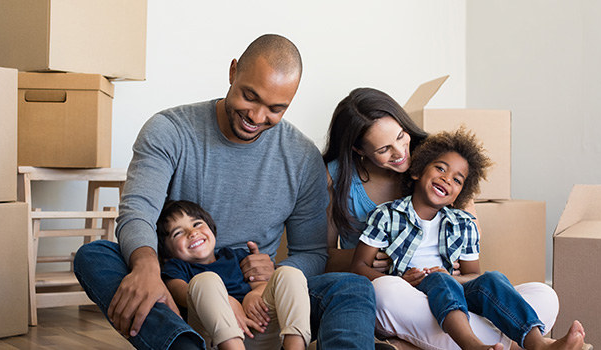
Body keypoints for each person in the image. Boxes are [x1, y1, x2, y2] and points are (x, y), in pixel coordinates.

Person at [74, 34, 377, 350]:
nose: (257, 117)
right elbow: (138, 211)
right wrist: (146, 268)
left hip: (261, 304)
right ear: (233, 72)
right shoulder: (169, 130)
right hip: (183, 293)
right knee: (95, 256)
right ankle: (183, 344)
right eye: (250, 96)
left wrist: (274, 275)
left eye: (276, 109)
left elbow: (312, 252)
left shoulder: (302, 158)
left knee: (351, 287)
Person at [321, 88, 562, 349]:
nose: (402, 152)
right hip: (399, 292)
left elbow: (470, 258)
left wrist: (457, 271)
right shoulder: (344, 183)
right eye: (383, 149)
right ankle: (510, 342)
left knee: (544, 296)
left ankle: (504, 341)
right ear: (359, 149)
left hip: (452, 292)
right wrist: (380, 256)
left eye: (401, 136)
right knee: (385, 292)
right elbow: (327, 256)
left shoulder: (436, 160)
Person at [352, 129, 591, 350]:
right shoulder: (386, 215)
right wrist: (402, 281)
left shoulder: (463, 223)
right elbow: (358, 267)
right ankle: (474, 343)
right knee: (384, 291)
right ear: (417, 171)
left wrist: (452, 279)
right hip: (413, 297)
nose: (447, 179)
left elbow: (474, 277)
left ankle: (538, 343)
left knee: (532, 290)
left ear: (459, 195)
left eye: (457, 180)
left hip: (455, 297)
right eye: (441, 169)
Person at [157, 200, 309, 350]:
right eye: (178, 233)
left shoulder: (233, 255)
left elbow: (260, 283)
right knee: (205, 280)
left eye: (196, 224)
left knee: (289, 273)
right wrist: (226, 300)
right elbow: (182, 294)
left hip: (258, 328)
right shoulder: (175, 267)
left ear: (211, 228)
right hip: (216, 338)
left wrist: (254, 293)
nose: (193, 233)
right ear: (167, 253)